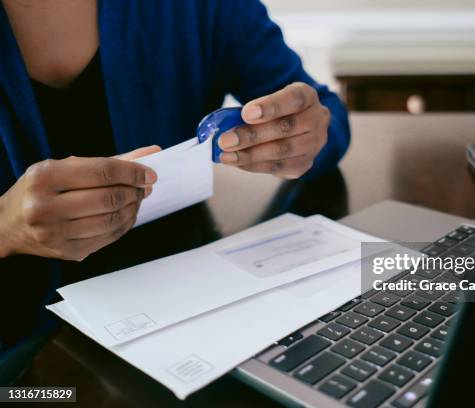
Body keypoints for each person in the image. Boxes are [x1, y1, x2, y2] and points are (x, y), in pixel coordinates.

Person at [0, 0, 350, 369]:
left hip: (191, 320)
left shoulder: (200, 8)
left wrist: (305, 136)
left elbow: (322, 112)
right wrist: (6, 227)